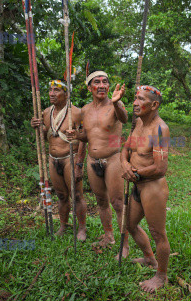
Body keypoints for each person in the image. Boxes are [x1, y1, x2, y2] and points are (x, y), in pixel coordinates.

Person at [67, 71, 129, 259]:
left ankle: (124, 245)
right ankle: (108, 235)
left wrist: (117, 102)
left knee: (118, 203)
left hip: (112, 160)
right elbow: (88, 136)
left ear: (109, 87)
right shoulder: (84, 110)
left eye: (105, 82)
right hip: (92, 161)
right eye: (97, 82)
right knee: (101, 201)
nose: (102, 85)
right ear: (89, 87)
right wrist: (77, 136)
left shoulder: (115, 105)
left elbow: (125, 118)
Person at [121, 85, 170, 293]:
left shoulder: (160, 129)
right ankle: (150, 258)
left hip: (152, 188)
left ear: (154, 105)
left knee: (158, 233)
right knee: (130, 225)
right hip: (137, 185)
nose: (135, 103)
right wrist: (124, 164)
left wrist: (136, 174)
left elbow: (160, 167)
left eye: (140, 99)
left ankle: (161, 276)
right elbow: (126, 149)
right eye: (135, 98)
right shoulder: (139, 123)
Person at [30, 79, 87, 240]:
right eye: (50, 90)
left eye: (56, 90)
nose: (51, 93)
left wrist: (79, 164)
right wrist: (35, 125)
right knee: (61, 195)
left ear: (66, 93)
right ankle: (63, 225)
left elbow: (83, 139)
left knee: (76, 195)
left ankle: (81, 228)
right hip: (53, 158)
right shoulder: (46, 112)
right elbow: (45, 133)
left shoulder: (76, 112)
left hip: (71, 157)